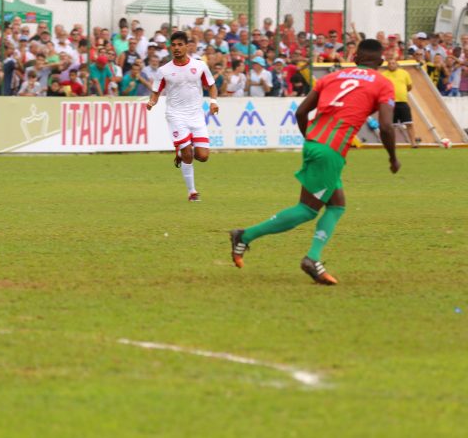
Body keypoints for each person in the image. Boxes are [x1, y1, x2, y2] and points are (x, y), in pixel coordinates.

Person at [230, 39, 400, 286]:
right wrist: (392, 157)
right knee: (307, 210)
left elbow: (300, 113)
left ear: (354, 59)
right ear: (382, 62)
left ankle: (305, 254)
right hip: (330, 150)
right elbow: (385, 125)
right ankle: (250, 237)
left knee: (337, 204)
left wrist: (312, 140)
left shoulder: (331, 77)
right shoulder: (384, 83)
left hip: (315, 143)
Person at [146, 31, 219, 202]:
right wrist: (152, 102)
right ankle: (192, 192)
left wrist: (214, 102)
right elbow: (156, 92)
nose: (177, 48)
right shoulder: (164, 70)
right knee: (188, 153)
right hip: (176, 115)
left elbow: (212, 86)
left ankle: (180, 151)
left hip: (196, 116)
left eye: (180, 45)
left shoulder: (200, 66)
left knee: (202, 156)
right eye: (174, 45)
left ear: (187, 46)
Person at [380, 56, 417, 148]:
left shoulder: (404, 73)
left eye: (393, 63)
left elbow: (409, 87)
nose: (391, 65)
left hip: (402, 101)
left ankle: (413, 143)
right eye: (390, 63)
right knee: (392, 125)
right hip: (390, 102)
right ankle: (392, 144)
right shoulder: (384, 75)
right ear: (387, 65)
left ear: (397, 64)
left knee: (409, 123)